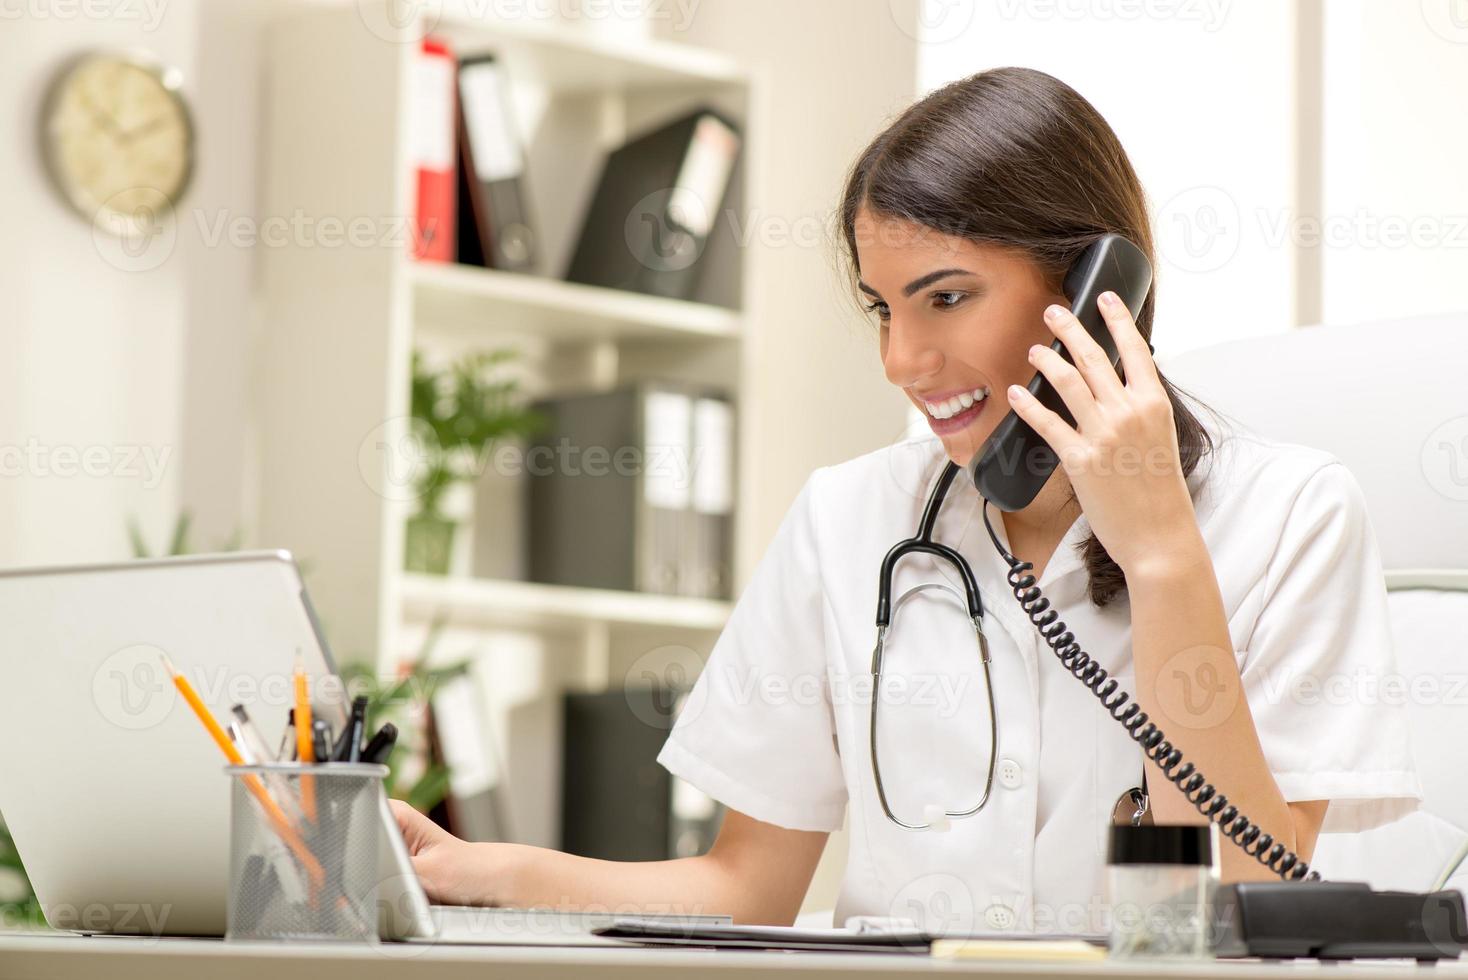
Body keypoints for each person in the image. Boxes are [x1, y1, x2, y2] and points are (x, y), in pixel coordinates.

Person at [393, 66, 1420, 935]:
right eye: (882, 308)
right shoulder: (850, 516)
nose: (900, 359)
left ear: (1097, 287)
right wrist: (475, 870)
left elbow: (1245, 900)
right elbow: (744, 888)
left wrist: (1157, 553)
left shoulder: (1291, 514)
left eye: (945, 296)